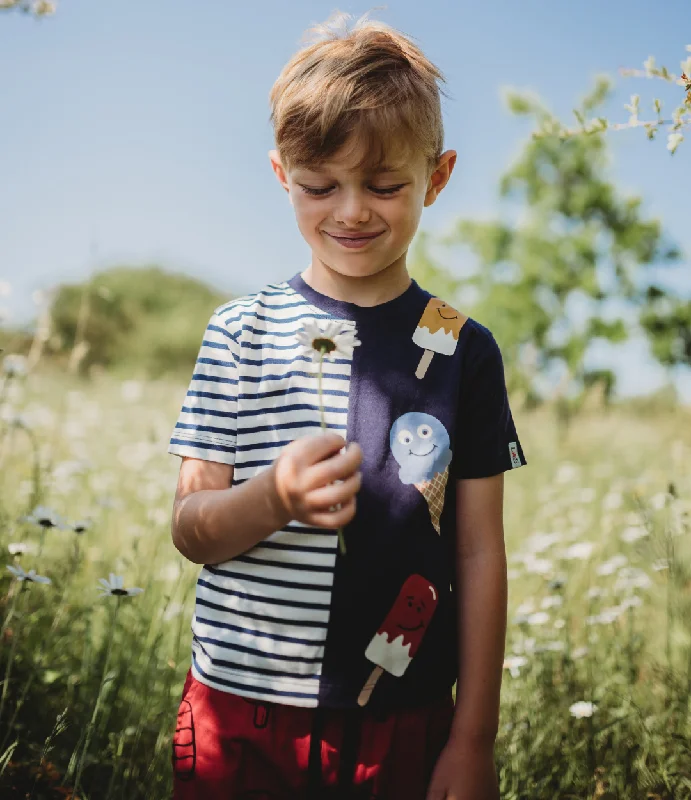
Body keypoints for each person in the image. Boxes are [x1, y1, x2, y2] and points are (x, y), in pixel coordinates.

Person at [166, 9, 527, 800]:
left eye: (385, 184)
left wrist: (474, 738)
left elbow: (476, 553)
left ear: (436, 176)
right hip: (238, 713)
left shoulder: (464, 349)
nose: (352, 211)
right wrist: (271, 499)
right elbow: (191, 529)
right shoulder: (240, 331)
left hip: (400, 719)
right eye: (320, 186)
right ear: (279, 175)